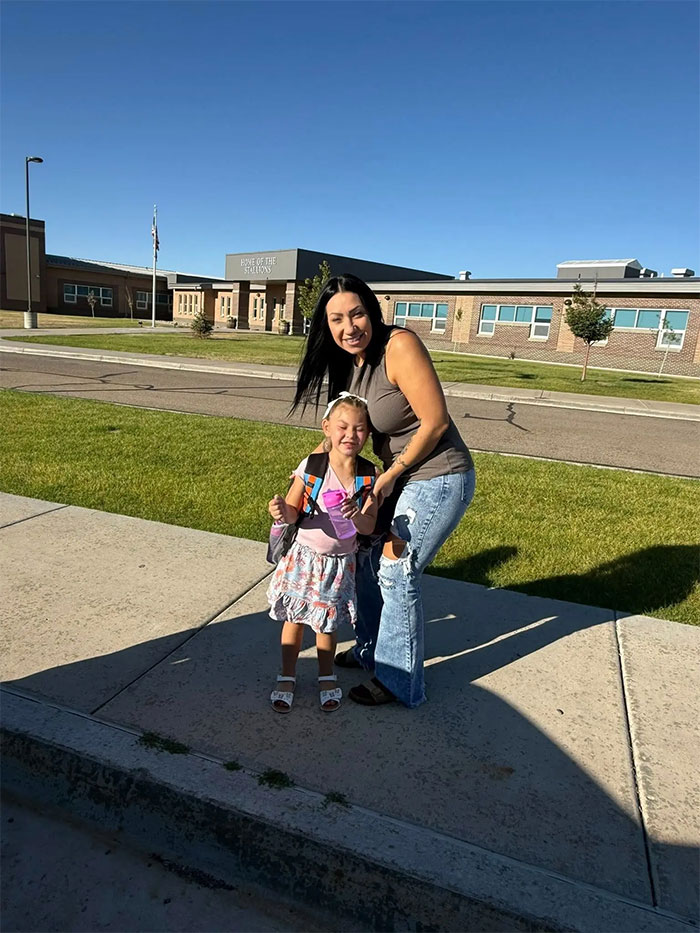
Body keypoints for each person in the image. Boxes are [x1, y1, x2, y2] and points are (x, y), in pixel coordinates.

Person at [292, 274, 475, 709]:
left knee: (396, 568)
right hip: (393, 477)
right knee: (365, 562)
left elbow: (436, 422)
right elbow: (341, 433)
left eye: (356, 314)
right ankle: (371, 650)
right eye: (336, 319)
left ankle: (400, 682)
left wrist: (389, 478)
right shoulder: (350, 364)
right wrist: (301, 478)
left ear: (372, 311)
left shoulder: (399, 346)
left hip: (438, 474)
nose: (348, 327)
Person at [267, 393, 378, 713]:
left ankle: (326, 675)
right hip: (304, 559)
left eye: (359, 429)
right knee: (294, 619)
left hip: (339, 564)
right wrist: (279, 510)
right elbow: (291, 511)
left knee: (327, 625)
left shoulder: (369, 476)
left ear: (367, 434)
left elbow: (368, 526)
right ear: (327, 428)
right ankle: (287, 675)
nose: (350, 435)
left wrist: (355, 514)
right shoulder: (313, 466)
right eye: (342, 427)